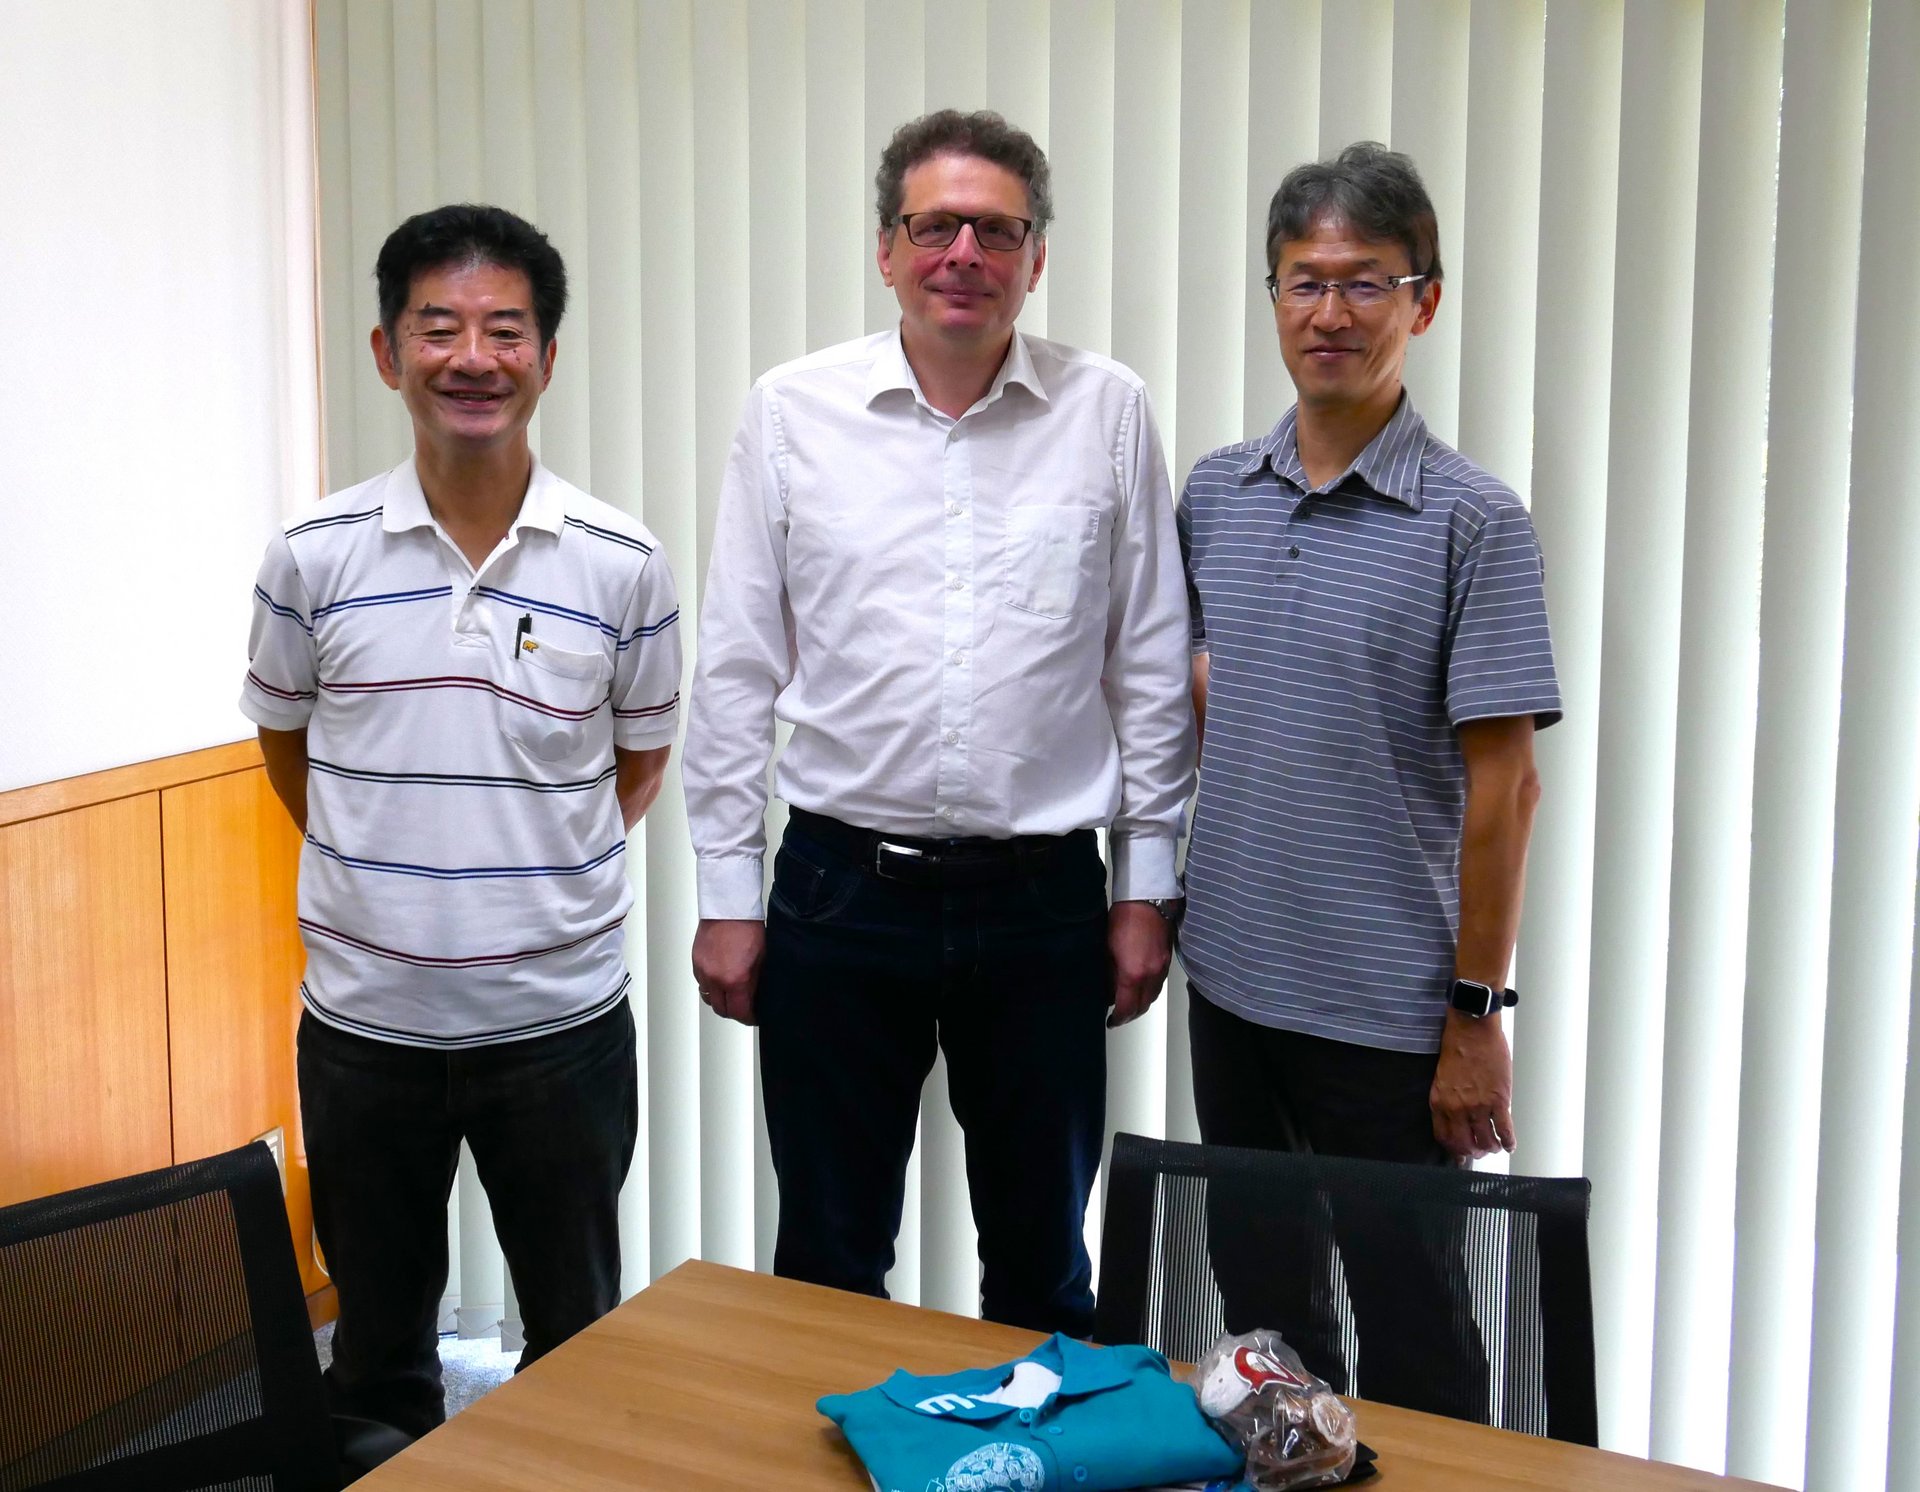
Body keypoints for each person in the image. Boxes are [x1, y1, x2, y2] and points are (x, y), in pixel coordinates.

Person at [684, 109, 1194, 1338]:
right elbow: (739, 663)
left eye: (996, 228)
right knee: (829, 1256)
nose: (964, 250)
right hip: (837, 898)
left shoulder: (1108, 412)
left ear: (1035, 255)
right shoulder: (791, 412)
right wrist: (725, 893)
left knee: (1041, 1266)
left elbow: (1151, 663)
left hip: (1042, 907)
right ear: (886, 248)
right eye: (935, 224)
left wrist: (1146, 889)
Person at [241, 204, 681, 1439]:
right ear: (387, 352)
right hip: (365, 1028)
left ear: (548, 355)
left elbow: (636, 764)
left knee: (576, 1343)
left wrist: (525, 877)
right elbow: (290, 750)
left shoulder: (621, 559)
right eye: (438, 326)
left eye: (505, 328)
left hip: (561, 1028)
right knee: (377, 1358)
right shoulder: (310, 552)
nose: (471, 357)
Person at [1177, 143, 1561, 1417]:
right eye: (1304, 282)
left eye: (1364, 282)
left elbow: (1506, 790)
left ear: (1424, 301)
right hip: (1230, 986)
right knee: (1261, 1313)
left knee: (1417, 1326)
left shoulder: (1473, 522)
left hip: (1390, 1023)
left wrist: (1476, 1015)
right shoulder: (1215, 495)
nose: (1329, 313)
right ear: (1273, 296)